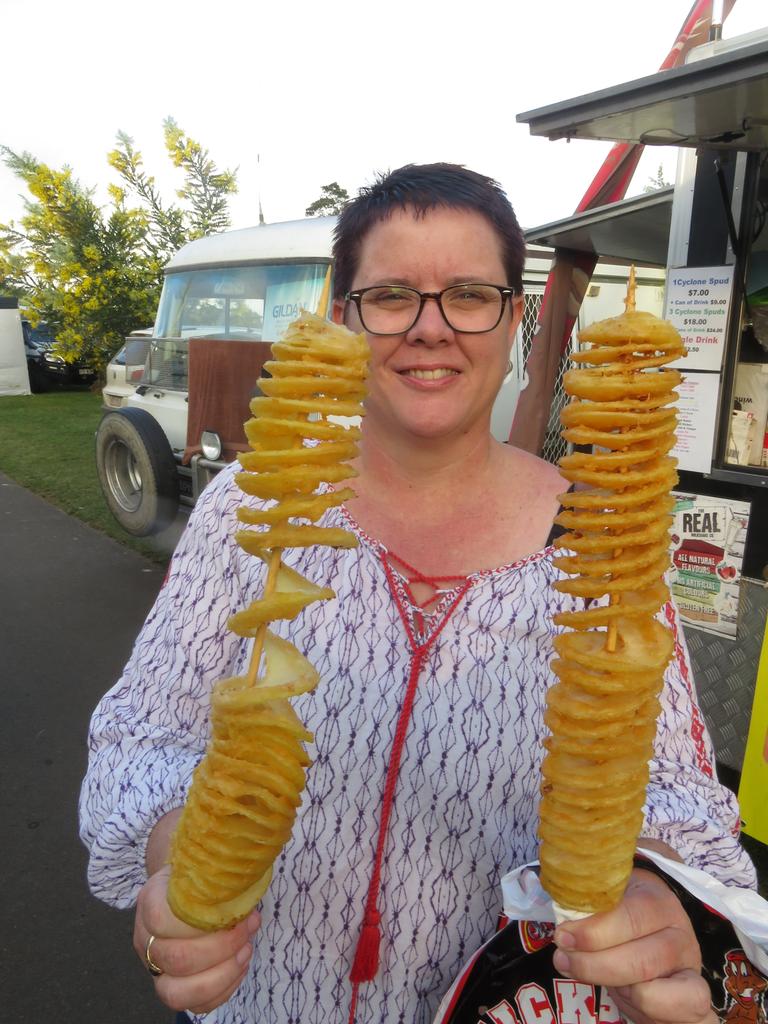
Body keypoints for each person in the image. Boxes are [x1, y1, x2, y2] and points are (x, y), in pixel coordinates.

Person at [79, 163, 755, 1024]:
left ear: (515, 318)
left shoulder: (603, 539)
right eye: (391, 295)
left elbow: (676, 792)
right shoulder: (251, 509)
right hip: (263, 1000)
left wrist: (659, 895)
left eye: (469, 295)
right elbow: (143, 735)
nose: (429, 330)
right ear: (342, 316)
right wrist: (180, 873)